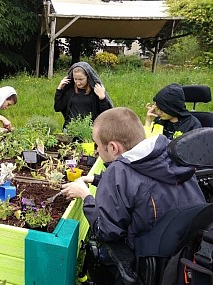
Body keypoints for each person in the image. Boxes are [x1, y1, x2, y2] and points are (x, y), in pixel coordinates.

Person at [61, 107, 205, 248]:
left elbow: (107, 232)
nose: (96, 150)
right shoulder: (169, 153)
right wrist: (96, 179)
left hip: (152, 258)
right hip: (191, 247)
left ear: (113, 148)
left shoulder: (118, 172)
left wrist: (85, 196)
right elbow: (141, 185)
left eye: (97, 144)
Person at [54, 62, 113, 129]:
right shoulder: (70, 91)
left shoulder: (96, 91)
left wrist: (102, 98)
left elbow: (106, 114)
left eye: (81, 79)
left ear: (88, 77)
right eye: (75, 79)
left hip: (89, 130)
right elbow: (57, 107)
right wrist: (59, 89)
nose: (78, 83)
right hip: (70, 129)